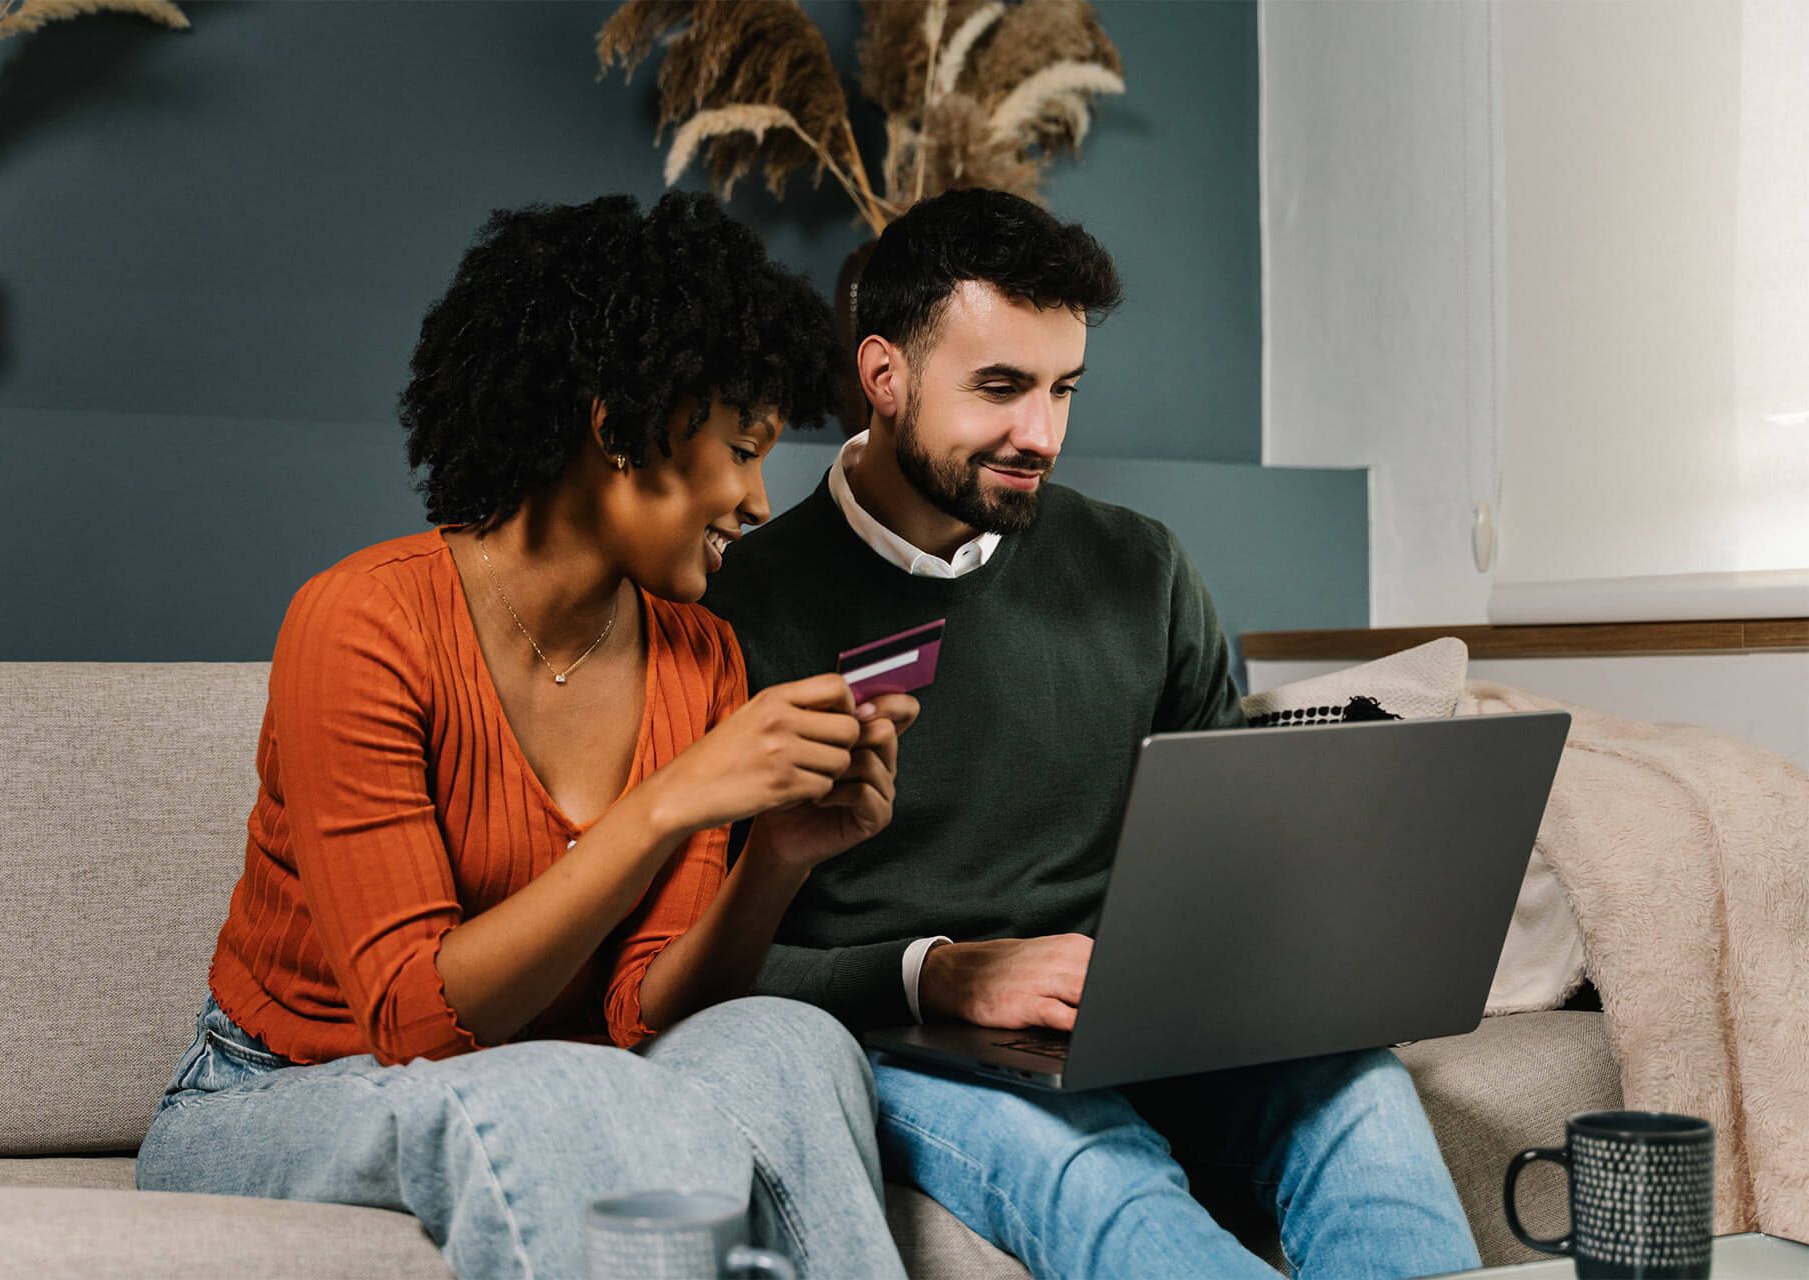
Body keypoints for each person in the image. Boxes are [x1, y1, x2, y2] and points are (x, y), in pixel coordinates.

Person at [699, 188, 1482, 1279]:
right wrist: (939, 973)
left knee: (1362, 1094)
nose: (1043, 434)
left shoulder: (1142, 568)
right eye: (1001, 387)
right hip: (914, 1046)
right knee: (1095, 1176)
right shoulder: (733, 610)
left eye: (1063, 388)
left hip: (1146, 1015)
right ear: (884, 375)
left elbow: (1226, 861)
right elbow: (693, 967)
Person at [136, 192, 916, 1280]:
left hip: (568, 1081)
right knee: (555, 1091)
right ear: (616, 428)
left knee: (794, 1042)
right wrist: (670, 800)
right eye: (741, 449)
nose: (755, 499)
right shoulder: (361, 624)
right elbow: (416, 1023)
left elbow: (641, 1014)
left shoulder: (701, 656)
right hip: (277, 1093)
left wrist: (778, 857)